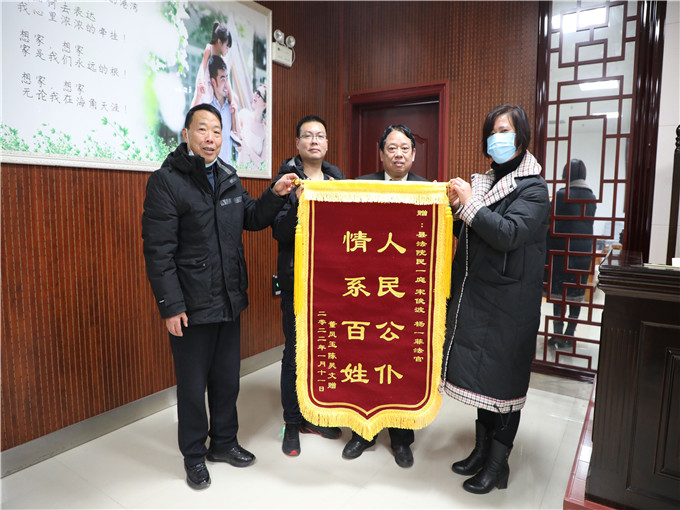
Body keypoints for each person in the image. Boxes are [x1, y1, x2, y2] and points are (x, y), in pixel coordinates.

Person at [142, 104, 297, 490]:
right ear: (186, 134)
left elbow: (252, 217)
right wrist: (171, 306)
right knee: (193, 386)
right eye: (202, 130)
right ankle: (194, 455)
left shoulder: (227, 175)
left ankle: (224, 443)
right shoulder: (166, 181)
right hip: (191, 305)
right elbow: (158, 251)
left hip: (229, 298)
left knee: (227, 379)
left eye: (216, 131)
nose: (210, 138)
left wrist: (275, 194)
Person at [442, 104, 550, 494]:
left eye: (504, 130)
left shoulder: (533, 188)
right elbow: (472, 231)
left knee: (504, 385)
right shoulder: (487, 182)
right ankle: (481, 451)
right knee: (482, 379)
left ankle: (497, 465)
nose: (497, 138)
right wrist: (456, 206)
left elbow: (507, 233)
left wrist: (470, 204)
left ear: (522, 136)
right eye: (492, 132)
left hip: (510, 305)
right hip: (481, 297)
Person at [342, 124, 429, 468]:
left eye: (404, 148)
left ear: (414, 154)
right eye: (391, 148)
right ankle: (363, 433)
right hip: (366, 294)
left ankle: (401, 439)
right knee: (365, 361)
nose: (398, 154)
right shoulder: (361, 187)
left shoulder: (427, 190)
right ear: (381, 154)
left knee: (401, 366)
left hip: (405, 297)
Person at [272, 115, 345, 457]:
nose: (314, 141)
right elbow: (279, 232)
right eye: (308, 136)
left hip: (331, 281)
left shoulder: (337, 179)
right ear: (298, 144)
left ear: (327, 144)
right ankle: (291, 422)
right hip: (297, 280)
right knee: (294, 352)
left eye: (320, 135)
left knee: (323, 348)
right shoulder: (286, 180)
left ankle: (313, 415)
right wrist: (299, 204)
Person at [547, 159, 597, 350]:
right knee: (576, 293)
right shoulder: (591, 197)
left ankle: (557, 334)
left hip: (562, 252)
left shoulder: (562, 195)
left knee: (559, 294)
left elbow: (550, 220)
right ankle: (570, 334)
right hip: (584, 253)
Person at [191, 21, 235, 108]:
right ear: (219, 42)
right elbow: (202, 67)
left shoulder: (223, 60)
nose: (227, 50)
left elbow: (228, 81)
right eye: (227, 46)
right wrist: (200, 80)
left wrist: (232, 99)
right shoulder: (209, 49)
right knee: (196, 107)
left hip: (212, 93)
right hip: (204, 86)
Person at [208, 55, 236, 164]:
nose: (226, 84)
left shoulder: (232, 108)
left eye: (227, 78)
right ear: (213, 82)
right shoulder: (208, 108)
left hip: (227, 170)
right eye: (222, 79)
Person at [235, 83, 267, 170]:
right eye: (256, 92)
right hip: (239, 171)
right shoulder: (243, 114)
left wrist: (245, 147)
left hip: (254, 174)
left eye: (259, 94)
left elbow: (262, 164)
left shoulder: (266, 131)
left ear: (265, 105)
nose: (255, 95)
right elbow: (232, 134)